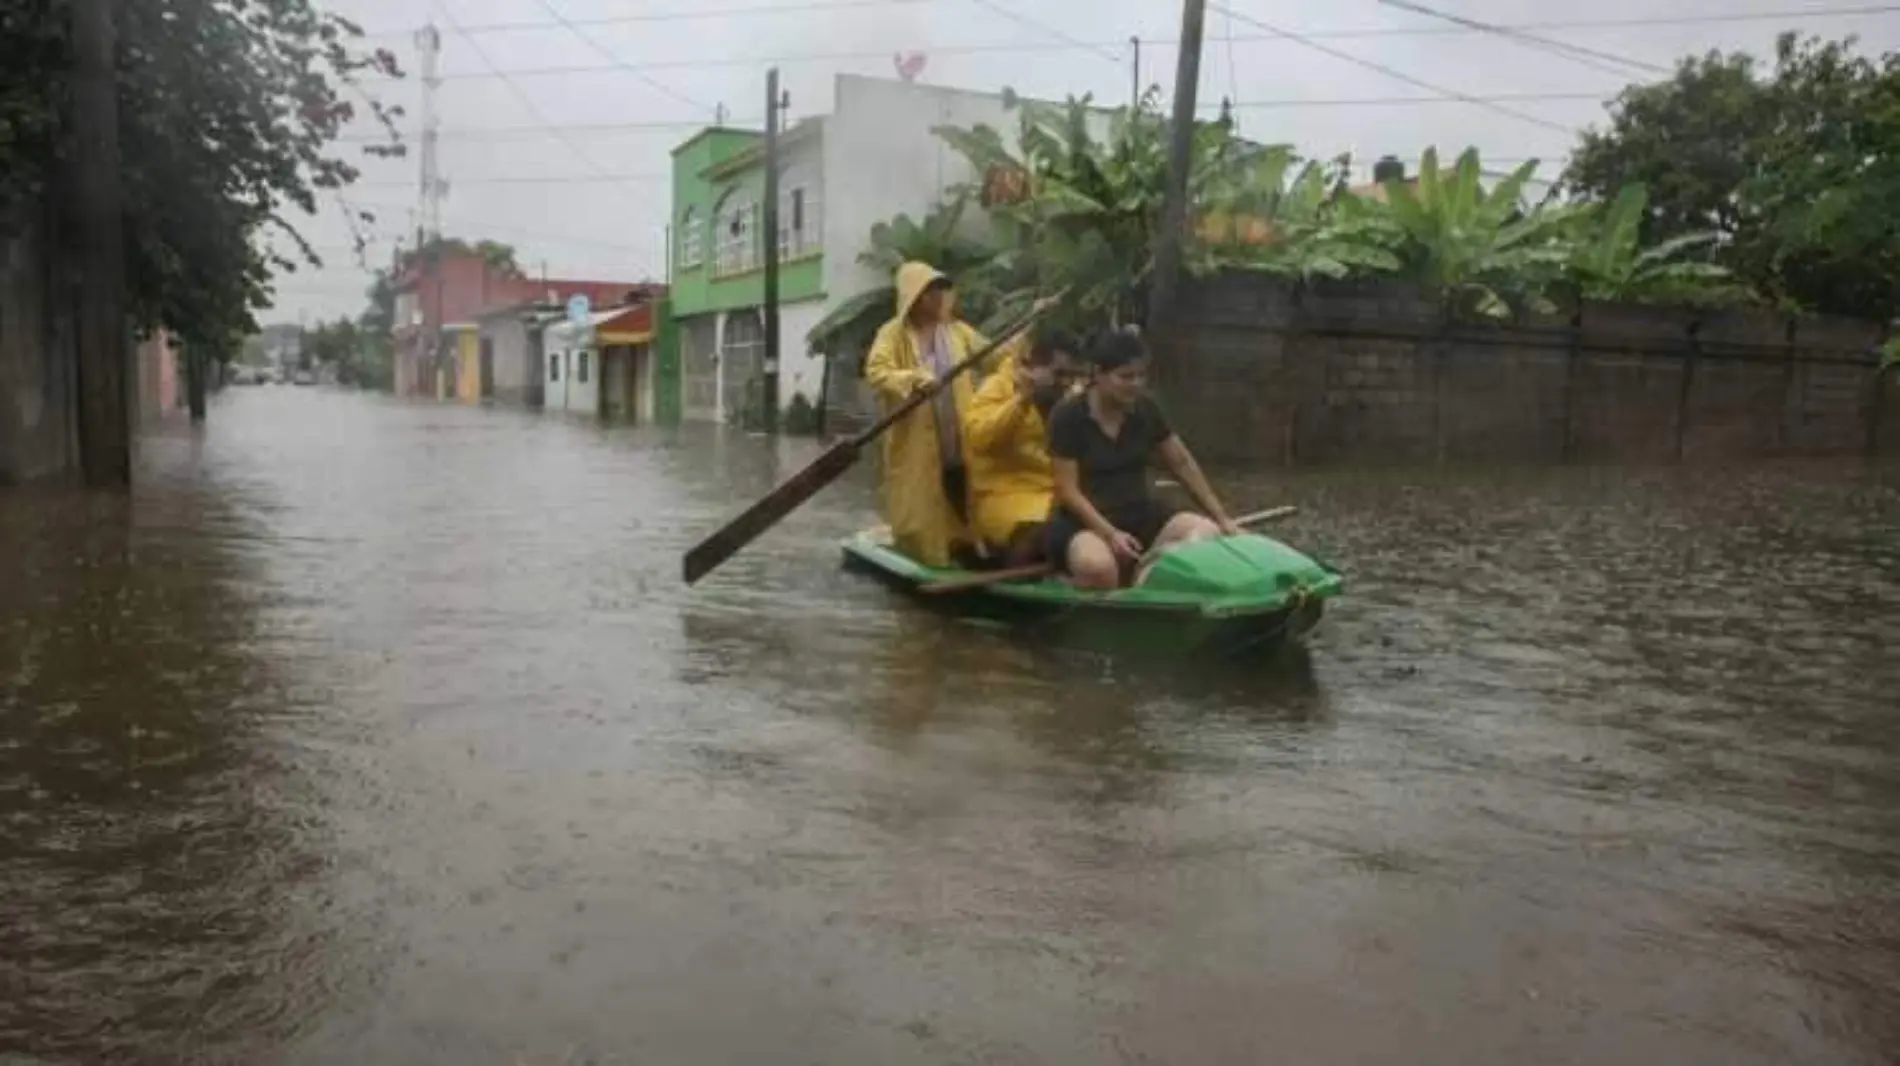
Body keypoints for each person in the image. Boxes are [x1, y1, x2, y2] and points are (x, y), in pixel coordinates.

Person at [1045, 328, 1241, 590]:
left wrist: (1222, 517)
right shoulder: (1068, 416)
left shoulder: (1146, 409)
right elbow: (1067, 491)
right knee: (1098, 568)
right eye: (1126, 376)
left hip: (1138, 513)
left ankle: (1143, 579)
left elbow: (1181, 463)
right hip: (1084, 523)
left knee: (1206, 533)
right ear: (1099, 374)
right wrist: (1110, 534)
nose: (1136, 383)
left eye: (1141, 376)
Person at [862, 262, 1000, 568]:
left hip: (958, 430)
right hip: (916, 440)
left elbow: (994, 356)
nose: (938, 298)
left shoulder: (957, 331)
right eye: (930, 292)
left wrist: (1030, 335)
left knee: (965, 488)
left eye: (941, 291)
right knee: (922, 500)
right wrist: (914, 379)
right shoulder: (893, 334)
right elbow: (877, 371)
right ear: (914, 296)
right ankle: (928, 554)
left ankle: (968, 546)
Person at [963, 324, 1084, 565]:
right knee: (1046, 536)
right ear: (1034, 366)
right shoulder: (997, 387)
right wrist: (1023, 400)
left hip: (1058, 497)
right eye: (1059, 374)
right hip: (1006, 497)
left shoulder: (1072, 398)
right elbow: (979, 438)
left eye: (1072, 375)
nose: (1066, 383)